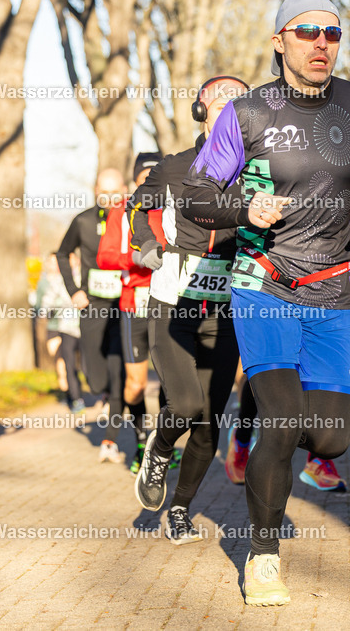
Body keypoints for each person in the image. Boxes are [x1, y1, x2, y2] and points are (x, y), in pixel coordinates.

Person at [172, 0, 350, 605]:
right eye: (306, 32)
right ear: (280, 42)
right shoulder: (246, 114)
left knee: (330, 439)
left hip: (332, 286)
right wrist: (246, 206)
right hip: (261, 281)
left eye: (331, 32)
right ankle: (262, 555)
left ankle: (273, 442)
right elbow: (195, 193)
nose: (321, 43)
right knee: (284, 419)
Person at [128, 76, 251, 543]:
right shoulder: (174, 167)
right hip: (172, 303)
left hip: (226, 313)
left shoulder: (259, 172)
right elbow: (137, 209)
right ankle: (157, 453)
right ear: (201, 111)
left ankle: (180, 509)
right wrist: (146, 246)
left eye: (241, 99)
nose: (231, 105)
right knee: (184, 404)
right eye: (220, 98)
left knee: (207, 426)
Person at [96, 154, 163, 472]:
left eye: (155, 174)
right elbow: (104, 256)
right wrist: (137, 259)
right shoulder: (121, 210)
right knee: (135, 385)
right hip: (133, 302)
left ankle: (162, 447)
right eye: (143, 177)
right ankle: (140, 440)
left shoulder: (174, 204)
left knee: (170, 380)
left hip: (169, 301)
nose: (149, 182)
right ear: (135, 181)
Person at [56, 170, 128, 461]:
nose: (110, 199)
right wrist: (74, 290)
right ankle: (105, 393)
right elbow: (61, 254)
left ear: (124, 190)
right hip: (93, 306)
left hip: (124, 306)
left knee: (117, 371)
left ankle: (110, 439)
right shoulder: (83, 221)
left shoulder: (131, 220)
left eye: (115, 193)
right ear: (95, 190)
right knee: (96, 377)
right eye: (104, 192)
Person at [34, 253, 83, 411]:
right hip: (53, 325)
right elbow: (39, 305)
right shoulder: (44, 282)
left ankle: (74, 391)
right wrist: (44, 312)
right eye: (51, 262)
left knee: (66, 360)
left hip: (69, 324)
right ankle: (68, 391)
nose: (54, 265)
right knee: (59, 359)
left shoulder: (69, 278)